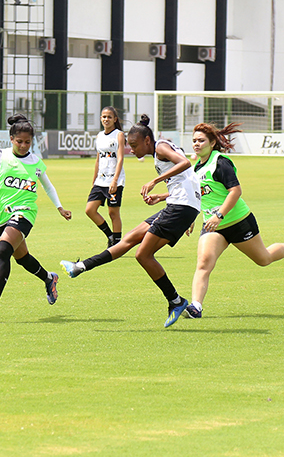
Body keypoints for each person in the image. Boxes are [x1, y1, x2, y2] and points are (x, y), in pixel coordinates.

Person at [61, 115, 200, 328]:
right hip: (179, 205)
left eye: (134, 145)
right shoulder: (162, 149)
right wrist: (163, 197)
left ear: (147, 141)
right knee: (128, 239)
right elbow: (186, 180)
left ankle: (176, 301)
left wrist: (155, 181)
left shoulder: (161, 148)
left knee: (143, 254)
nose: (131, 150)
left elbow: (185, 163)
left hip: (180, 208)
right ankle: (80, 266)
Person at [185, 123, 284, 319]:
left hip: (238, 220)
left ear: (212, 142)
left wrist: (219, 215)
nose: (196, 144)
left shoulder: (220, 162)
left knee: (264, 259)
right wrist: (191, 218)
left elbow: (236, 191)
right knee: (203, 263)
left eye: (201, 140)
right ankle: (196, 307)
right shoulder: (195, 169)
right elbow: (198, 197)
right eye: (194, 141)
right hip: (213, 227)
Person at [0, 114, 72, 318]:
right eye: (19, 141)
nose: (23, 145)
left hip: (25, 212)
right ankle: (48, 278)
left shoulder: (36, 162)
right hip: (1, 215)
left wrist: (60, 208)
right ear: (11, 139)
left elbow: (48, 187)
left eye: (27, 142)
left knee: (3, 250)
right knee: (22, 258)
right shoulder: (0, 156)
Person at [86, 107, 125, 247]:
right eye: (103, 117)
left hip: (115, 180)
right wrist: (94, 180)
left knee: (113, 213)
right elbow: (98, 160)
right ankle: (110, 235)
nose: (106, 119)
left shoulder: (119, 135)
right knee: (89, 210)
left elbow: (120, 159)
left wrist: (114, 180)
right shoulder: (99, 136)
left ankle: (117, 243)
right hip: (100, 181)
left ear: (115, 119)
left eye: (109, 117)